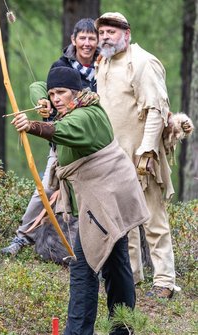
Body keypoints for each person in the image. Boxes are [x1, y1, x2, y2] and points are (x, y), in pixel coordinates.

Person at [11, 66, 150, 335]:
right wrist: (43, 99)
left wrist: (32, 126)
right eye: (52, 94)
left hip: (107, 199)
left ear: (78, 92)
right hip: (109, 197)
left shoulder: (87, 115)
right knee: (116, 263)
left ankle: (78, 332)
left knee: (83, 269)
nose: (56, 99)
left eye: (61, 92)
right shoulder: (68, 106)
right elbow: (37, 85)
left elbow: (63, 130)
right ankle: (123, 328)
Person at [95, 12, 178, 299]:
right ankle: (132, 275)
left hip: (142, 156)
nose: (105, 37)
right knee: (124, 220)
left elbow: (156, 109)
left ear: (126, 34)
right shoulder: (102, 63)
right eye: (102, 32)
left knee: (153, 218)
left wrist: (147, 149)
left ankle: (165, 281)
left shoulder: (142, 63)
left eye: (111, 32)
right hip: (113, 157)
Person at [2, 18, 99, 257]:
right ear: (73, 40)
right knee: (45, 189)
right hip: (62, 144)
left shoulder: (106, 65)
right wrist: (43, 102)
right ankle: (23, 236)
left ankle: (96, 247)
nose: (87, 43)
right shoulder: (62, 64)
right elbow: (40, 86)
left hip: (94, 147)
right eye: (82, 38)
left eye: (92, 38)